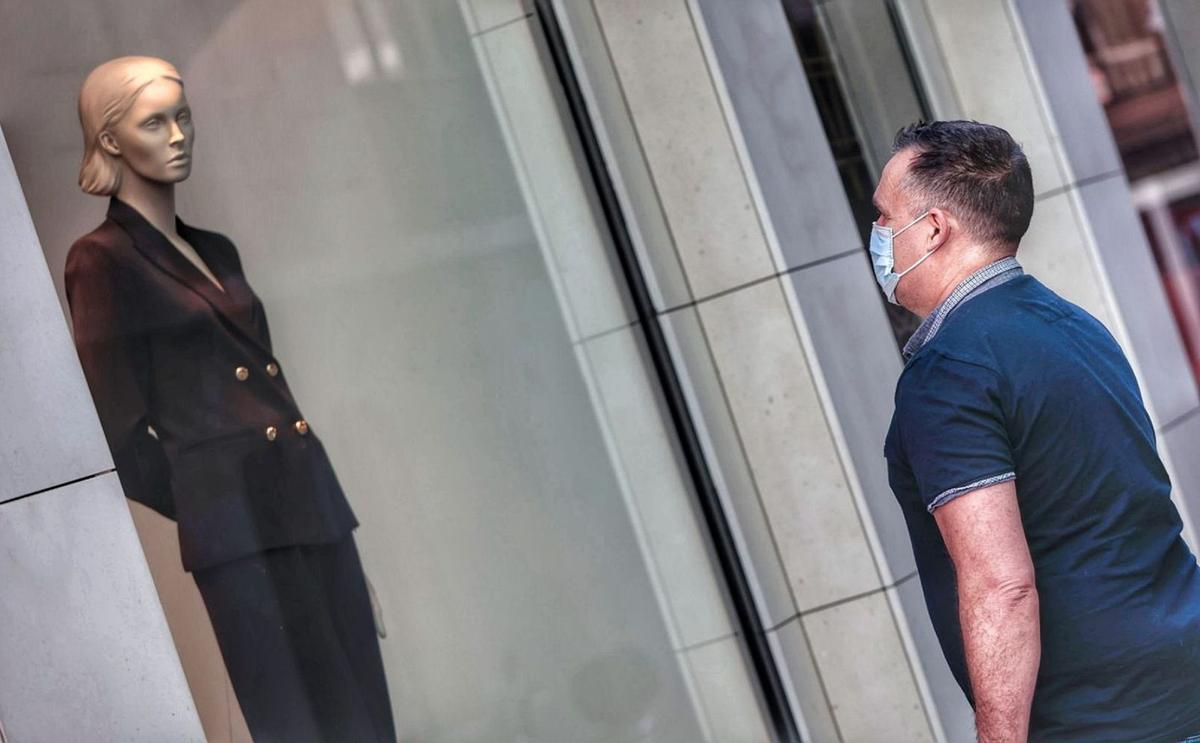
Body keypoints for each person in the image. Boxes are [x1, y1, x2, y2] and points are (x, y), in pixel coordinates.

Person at [66, 55, 396, 742]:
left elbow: (273, 390)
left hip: (310, 506)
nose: (178, 134)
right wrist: (214, 507)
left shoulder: (216, 249)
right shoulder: (101, 261)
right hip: (242, 531)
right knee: (302, 727)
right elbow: (117, 438)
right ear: (110, 141)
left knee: (367, 717)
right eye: (154, 121)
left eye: (182, 115)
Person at [877, 119, 1200, 741]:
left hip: (1102, 720)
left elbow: (1000, 585)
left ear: (935, 229)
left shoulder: (950, 371)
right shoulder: (1075, 327)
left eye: (886, 217)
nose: (880, 236)